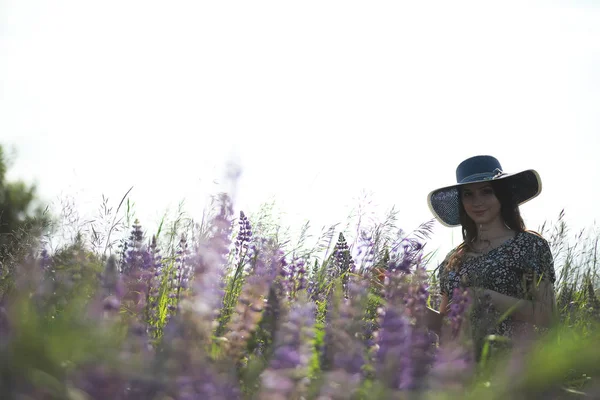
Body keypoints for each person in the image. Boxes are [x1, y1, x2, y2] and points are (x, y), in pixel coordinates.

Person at [422, 155, 557, 359]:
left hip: (513, 368)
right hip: (461, 373)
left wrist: (485, 297)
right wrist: (408, 303)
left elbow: (548, 316)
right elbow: (446, 327)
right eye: (468, 194)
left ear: (501, 195)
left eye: (486, 192)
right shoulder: (453, 259)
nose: (477, 202)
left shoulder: (529, 245)